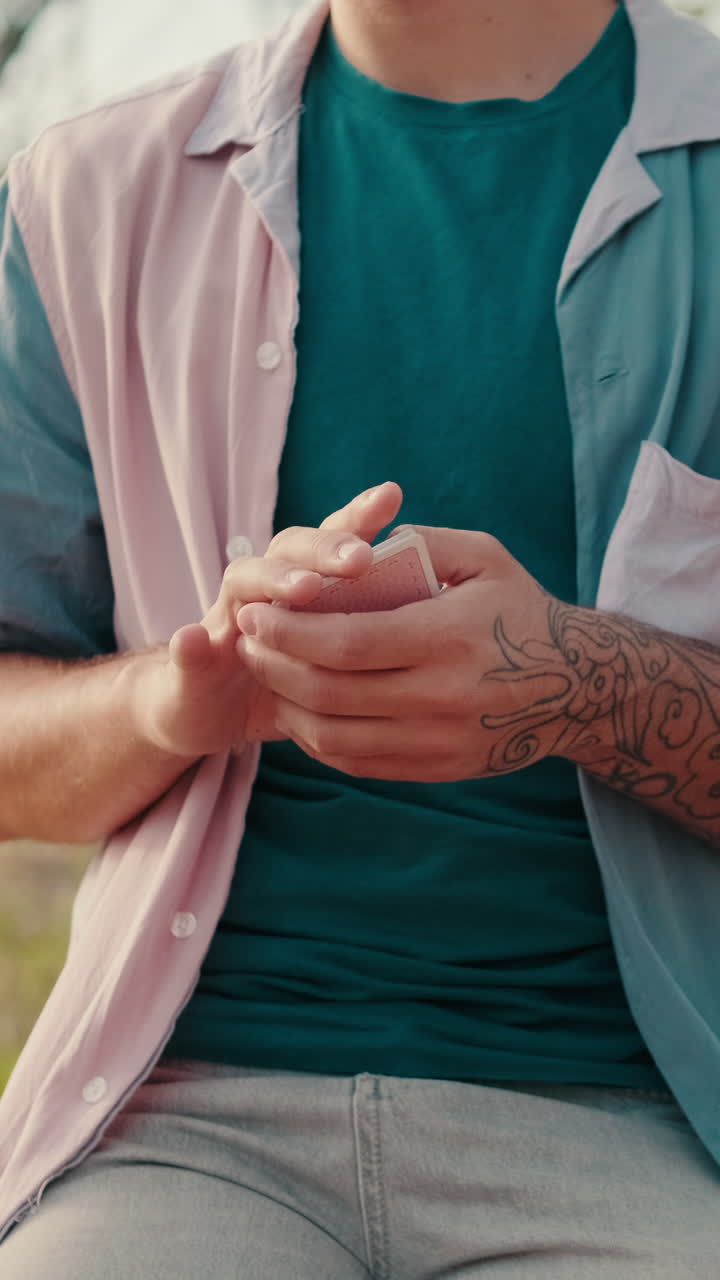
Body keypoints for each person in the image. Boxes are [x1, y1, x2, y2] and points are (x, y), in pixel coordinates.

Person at [0, 0, 719, 1272]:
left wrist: (581, 686)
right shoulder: (82, 194)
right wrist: (170, 703)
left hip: (642, 1124)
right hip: (180, 1122)